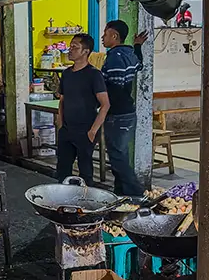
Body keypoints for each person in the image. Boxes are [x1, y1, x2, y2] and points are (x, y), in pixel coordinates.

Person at [101, 20, 147, 196]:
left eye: (105, 34)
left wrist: (101, 103)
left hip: (117, 114)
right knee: (121, 154)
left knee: (117, 158)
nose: (103, 38)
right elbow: (140, 64)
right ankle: (121, 195)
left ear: (114, 36)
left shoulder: (114, 57)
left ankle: (137, 194)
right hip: (128, 112)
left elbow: (114, 87)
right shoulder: (129, 53)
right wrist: (137, 46)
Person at [55, 33, 109, 184]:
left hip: (85, 130)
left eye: (75, 47)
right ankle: (63, 202)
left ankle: (86, 203)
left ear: (86, 51)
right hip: (67, 130)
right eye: (70, 46)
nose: (70, 50)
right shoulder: (66, 74)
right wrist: (60, 123)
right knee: (62, 170)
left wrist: (93, 131)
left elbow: (105, 105)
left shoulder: (94, 75)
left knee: (85, 172)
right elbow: (62, 100)